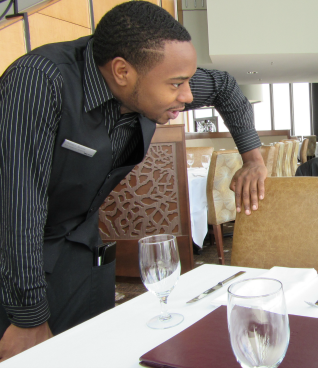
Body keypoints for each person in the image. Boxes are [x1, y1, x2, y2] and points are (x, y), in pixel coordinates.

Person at [0, 2, 266, 360]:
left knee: (89, 354)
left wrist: (252, 158)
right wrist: (28, 317)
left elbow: (225, 87)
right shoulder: (40, 81)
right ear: (122, 71)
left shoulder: (153, 75)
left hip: (82, 246)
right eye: (176, 84)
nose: (187, 96)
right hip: (14, 256)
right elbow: (19, 207)